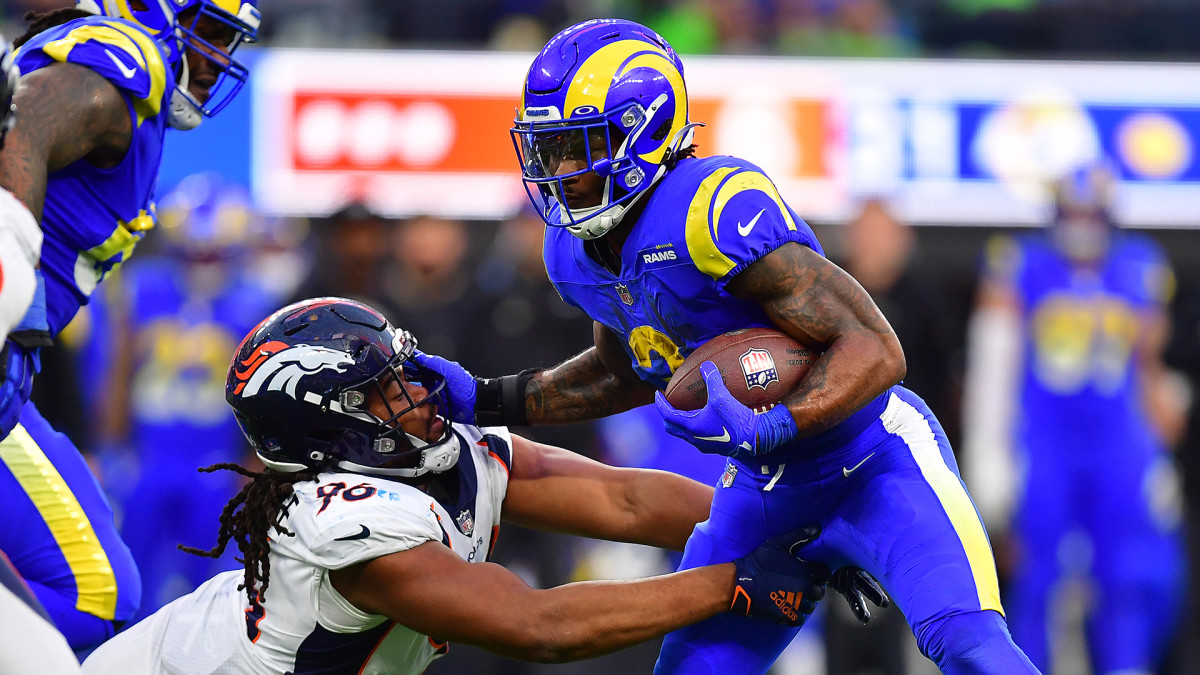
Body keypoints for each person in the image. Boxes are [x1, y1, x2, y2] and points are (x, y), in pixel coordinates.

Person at [417, 18, 1037, 675]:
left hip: (875, 459)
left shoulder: (709, 211)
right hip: (766, 487)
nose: (561, 171)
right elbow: (628, 366)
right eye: (550, 149)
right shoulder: (574, 253)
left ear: (643, 130)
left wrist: (781, 421)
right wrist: (486, 397)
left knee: (971, 650)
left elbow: (877, 348)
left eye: (579, 145)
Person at [79, 297, 868, 674]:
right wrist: (730, 584)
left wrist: (795, 519)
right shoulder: (346, 525)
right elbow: (536, 625)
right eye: (384, 388)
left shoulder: (447, 455)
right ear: (330, 427)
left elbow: (623, 500)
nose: (417, 393)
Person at [0, 0, 261, 651]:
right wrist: (12, 277)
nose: (220, 59)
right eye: (213, 32)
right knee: (93, 590)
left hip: (14, 376)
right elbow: (24, 119)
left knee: (106, 588)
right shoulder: (130, 55)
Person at [961, 161, 1186, 673]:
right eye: (1074, 214)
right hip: (1046, 440)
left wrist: (1159, 452)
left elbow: (1149, 365)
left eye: (1092, 216)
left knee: (1125, 578)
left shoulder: (1139, 266)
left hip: (1118, 442)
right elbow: (993, 368)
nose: (1082, 229)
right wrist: (988, 455)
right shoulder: (1020, 263)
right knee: (1038, 577)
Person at [87, 173, 284, 623]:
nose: (203, 262)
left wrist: (256, 462)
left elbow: (264, 392)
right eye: (195, 252)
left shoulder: (257, 299)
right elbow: (117, 372)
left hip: (217, 461)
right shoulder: (142, 289)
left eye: (213, 252)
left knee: (220, 593)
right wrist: (109, 445)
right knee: (130, 581)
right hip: (149, 455)